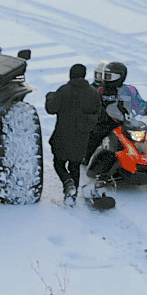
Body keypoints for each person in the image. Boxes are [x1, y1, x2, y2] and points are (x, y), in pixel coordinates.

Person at [44, 63, 102, 205]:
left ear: (71, 75)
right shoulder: (93, 93)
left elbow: (51, 109)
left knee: (58, 163)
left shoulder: (64, 91)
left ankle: (67, 181)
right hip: (82, 137)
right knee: (75, 166)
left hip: (62, 135)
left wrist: (49, 97)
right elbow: (98, 114)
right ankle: (72, 195)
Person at [85, 60, 147, 161]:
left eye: (108, 76)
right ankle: (88, 158)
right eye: (104, 75)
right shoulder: (99, 90)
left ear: (119, 77)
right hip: (105, 123)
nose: (105, 79)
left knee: (146, 139)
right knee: (96, 134)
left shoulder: (129, 90)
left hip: (126, 123)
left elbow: (138, 104)